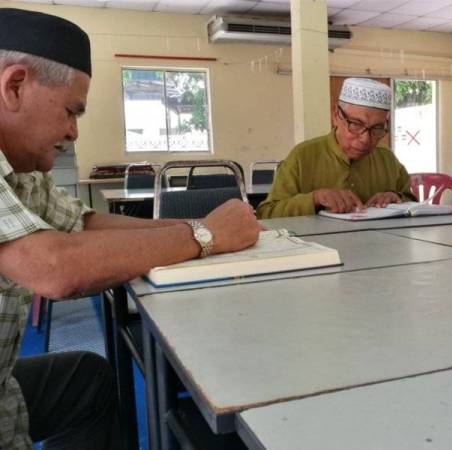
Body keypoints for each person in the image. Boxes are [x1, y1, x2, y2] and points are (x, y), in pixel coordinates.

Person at [0, 9, 261, 450]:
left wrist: (200, 226)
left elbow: (85, 223)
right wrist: (207, 237)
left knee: (86, 380)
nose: (73, 131)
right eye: (70, 111)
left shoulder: (24, 169)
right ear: (15, 85)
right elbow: (53, 268)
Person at [257, 78, 415, 219]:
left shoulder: (386, 159)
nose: (365, 139)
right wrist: (315, 199)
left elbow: (413, 203)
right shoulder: (303, 156)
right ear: (336, 116)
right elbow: (267, 214)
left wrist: (395, 197)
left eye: (377, 128)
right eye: (356, 124)